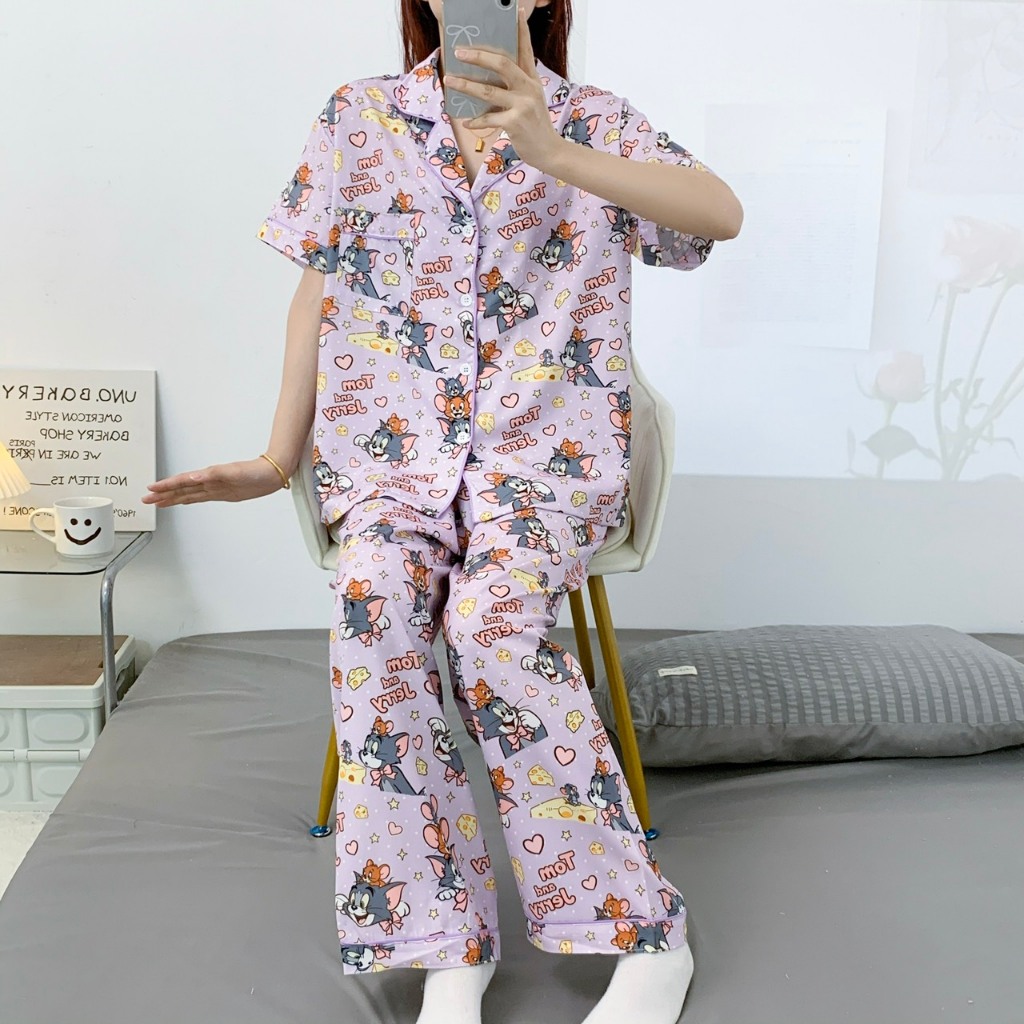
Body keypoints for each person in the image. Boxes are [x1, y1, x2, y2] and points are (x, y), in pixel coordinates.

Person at [144, 2, 742, 1021]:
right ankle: (442, 944)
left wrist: (553, 153)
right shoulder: (358, 115)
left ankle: (644, 931)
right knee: (372, 610)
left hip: (539, 463)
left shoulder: (596, 122)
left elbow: (718, 215)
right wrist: (277, 457)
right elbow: (318, 290)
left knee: (491, 629)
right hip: (392, 462)